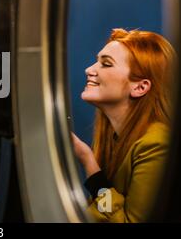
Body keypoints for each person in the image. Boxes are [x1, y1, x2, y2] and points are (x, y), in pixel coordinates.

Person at [72, 28, 176, 223]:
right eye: (97, 60)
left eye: (106, 64)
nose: (89, 69)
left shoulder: (157, 144)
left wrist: (88, 161)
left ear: (140, 87)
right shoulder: (116, 138)